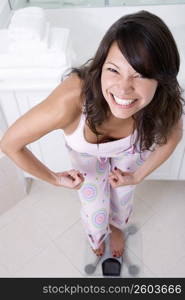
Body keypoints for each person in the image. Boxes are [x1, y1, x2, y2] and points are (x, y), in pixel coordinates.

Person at [0, 10, 184, 258]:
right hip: (86, 160)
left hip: (131, 153)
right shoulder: (72, 99)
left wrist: (138, 176)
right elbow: (10, 143)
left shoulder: (163, 100)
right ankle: (97, 233)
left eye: (140, 74)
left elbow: (174, 134)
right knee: (93, 206)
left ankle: (117, 227)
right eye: (114, 70)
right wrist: (54, 179)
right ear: (101, 65)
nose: (123, 88)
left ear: (161, 80)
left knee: (123, 195)